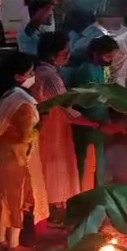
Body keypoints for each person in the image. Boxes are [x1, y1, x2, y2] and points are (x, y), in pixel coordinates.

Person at [0, 52, 49, 251]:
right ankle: (12, 244)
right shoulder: (21, 101)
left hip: (5, 155)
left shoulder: (2, 93)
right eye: (31, 72)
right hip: (17, 156)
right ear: (18, 77)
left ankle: (1, 241)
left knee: (2, 199)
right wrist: (39, 129)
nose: (34, 75)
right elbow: (25, 135)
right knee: (17, 199)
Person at [31, 32, 88, 208]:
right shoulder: (49, 76)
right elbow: (66, 109)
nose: (68, 56)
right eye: (64, 53)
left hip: (47, 128)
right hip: (51, 131)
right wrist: (95, 123)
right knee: (53, 169)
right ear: (51, 55)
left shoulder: (40, 72)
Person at [72, 36, 120, 188]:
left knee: (97, 163)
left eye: (112, 56)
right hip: (88, 124)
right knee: (87, 164)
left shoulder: (99, 69)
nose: (110, 60)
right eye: (108, 56)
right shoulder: (85, 72)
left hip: (99, 123)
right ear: (95, 53)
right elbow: (88, 102)